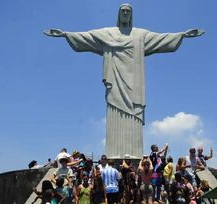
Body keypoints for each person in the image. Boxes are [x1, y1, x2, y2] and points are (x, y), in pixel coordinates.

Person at [44, 3, 204, 159]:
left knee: (134, 111)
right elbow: (88, 37)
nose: (125, 13)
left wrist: (181, 35)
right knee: (114, 109)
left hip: (134, 83)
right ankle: (115, 153)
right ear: (119, 15)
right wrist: (66, 34)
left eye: (128, 11)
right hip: (115, 79)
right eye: (123, 11)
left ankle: (133, 153)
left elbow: (161, 39)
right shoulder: (108, 33)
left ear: (131, 15)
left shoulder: (140, 35)